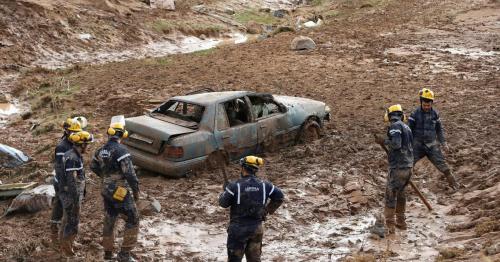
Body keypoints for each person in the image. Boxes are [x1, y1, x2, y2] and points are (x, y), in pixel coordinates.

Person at [90, 121, 140, 262]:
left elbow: (93, 165)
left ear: (109, 133)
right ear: (122, 134)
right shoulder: (122, 151)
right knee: (133, 218)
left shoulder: (100, 150)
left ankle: (108, 253)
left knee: (110, 218)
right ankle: (124, 255)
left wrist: (106, 177)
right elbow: (130, 174)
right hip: (119, 190)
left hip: (105, 189)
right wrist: (136, 191)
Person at [219, 156, 284, 262]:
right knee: (254, 259)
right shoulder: (265, 185)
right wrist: (267, 210)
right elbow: (280, 197)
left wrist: (225, 191)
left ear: (243, 168)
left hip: (238, 231)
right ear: (255, 170)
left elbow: (223, 203)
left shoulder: (235, 186)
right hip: (256, 229)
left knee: (234, 259)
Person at [409, 88, 460, 190]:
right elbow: (409, 130)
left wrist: (443, 143)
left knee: (443, 165)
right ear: (421, 102)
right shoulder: (414, 114)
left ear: (432, 103)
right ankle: (404, 187)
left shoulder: (435, 114)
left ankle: (454, 184)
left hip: (432, 145)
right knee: (408, 165)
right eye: (425, 105)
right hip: (417, 144)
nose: (427, 107)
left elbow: (439, 130)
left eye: (429, 105)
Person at [376, 104, 413, 234]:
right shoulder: (407, 127)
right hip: (408, 167)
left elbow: (396, 144)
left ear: (389, 115)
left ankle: (390, 226)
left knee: (390, 195)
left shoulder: (395, 126)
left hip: (398, 167)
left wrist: (384, 141)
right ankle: (401, 222)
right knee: (401, 194)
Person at [59, 130, 93, 257]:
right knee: (72, 221)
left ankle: (66, 244)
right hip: (71, 195)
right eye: (87, 144)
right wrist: (75, 200)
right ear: (82, 144)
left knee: (67, 219)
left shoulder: (72, 154)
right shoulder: (73, 158)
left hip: (70, 193)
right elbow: (71, 180)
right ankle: (67, 251)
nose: (88, 147)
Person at [50, 118, 83, 248]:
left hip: (67, 182)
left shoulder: (74, 144)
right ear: (66, 131)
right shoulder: (62, 147)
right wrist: (65, 186)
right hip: (62, 182)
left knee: (60, 207)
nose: (75, 134)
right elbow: (59, 168)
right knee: (66, 210)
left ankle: (59, 238)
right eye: (72, 132)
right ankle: (61, 240)